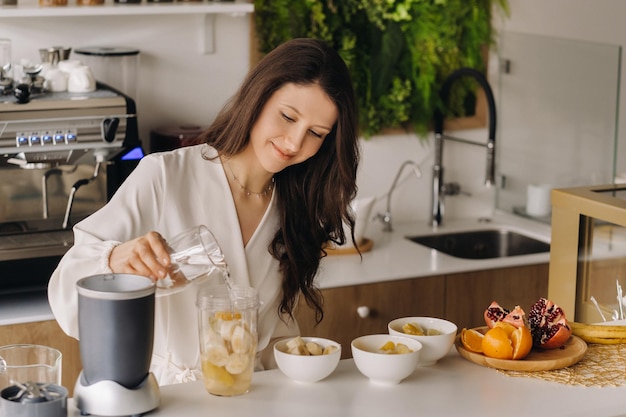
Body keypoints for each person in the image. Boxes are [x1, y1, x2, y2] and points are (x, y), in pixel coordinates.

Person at [48, 37, 360, 385]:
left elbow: (273, 333)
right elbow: (65, 289)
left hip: (249, 397)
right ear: (259, 96)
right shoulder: (165, 175)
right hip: (167, 396)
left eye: (315, 134)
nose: (294, 143)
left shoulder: (294, 208)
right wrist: (115, 260)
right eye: (287, 117)